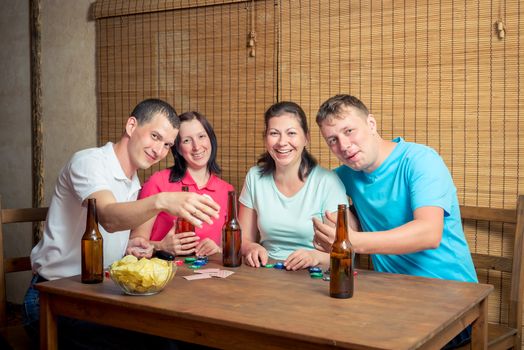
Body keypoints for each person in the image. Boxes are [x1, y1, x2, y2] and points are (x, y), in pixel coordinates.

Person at [24, 99, 220, 348]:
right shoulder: (89, 162)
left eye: (167, 144)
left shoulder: (133, 183)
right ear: (131, 126)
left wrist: (136, 245)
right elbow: (107, 216)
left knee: (180, 335)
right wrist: (161, 200)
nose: (159, 150)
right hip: (51, 298)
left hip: (100, 294)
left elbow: (118, 236)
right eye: (155, 136)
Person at [313, 94, 477, 349]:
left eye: (349, 131)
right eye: (332, 140)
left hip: (453, 301)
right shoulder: (344, 176)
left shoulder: (421, 160)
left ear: (371, 123)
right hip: (389, 297)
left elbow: (429, 233)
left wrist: (353, 241)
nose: (344, 145)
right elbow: (315, 194)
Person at [239, 101, 348, 270]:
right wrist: (251, 247)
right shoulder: (255, 177)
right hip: (266, 271)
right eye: (274, 133)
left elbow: (343, 253)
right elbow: (243, 239)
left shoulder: (328, 182)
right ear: (265, 138)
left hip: (313, 275)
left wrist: (314, 257)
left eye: (291, 133)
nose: (282, 142)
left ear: (306, 138)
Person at [130, 111, 234, 257]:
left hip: (208, 276)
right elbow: (134, 244)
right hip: (163, 275)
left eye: (201, 136)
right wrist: (161, 246)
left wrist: (217, 249)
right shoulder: (158, 182)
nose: (196, 146)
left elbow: (231, 248)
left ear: (211, 139)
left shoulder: (227, 190)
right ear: (177, 148)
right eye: (186, 140)